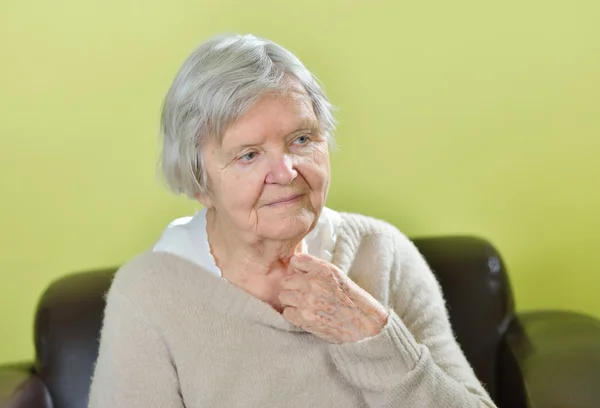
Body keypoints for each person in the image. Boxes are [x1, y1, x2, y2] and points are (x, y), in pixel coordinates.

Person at [88, 34, 496, 408]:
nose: (286, 173)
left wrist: (373, 336)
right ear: (200, 183)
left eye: (301, 139)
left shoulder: (382, 252)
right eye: (248, 154)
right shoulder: (149, 296)